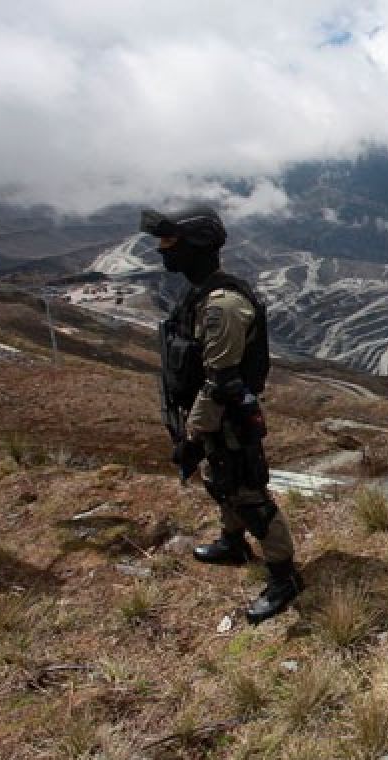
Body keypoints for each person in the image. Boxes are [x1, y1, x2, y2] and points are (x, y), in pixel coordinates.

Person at [141, 207, 304, 624]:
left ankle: (284, 575)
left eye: (170, 245)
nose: (163, 253)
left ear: (195, 248)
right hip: (208, 414)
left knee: (250, 494)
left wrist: (193, 437)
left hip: (226, 417)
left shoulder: (224, 305)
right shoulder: (200, 295)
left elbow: (221, 383)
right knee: (219, 480)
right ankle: (232, 543)